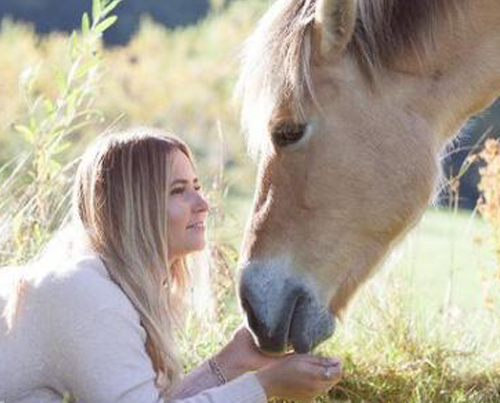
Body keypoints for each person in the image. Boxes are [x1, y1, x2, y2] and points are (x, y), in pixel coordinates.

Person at [0, 128, 342, 403]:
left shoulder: (109, 287)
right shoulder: (84, 294)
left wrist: (235, 359)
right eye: (179, 191)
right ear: (134, 207)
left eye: (196, 186)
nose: (203, 203)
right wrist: (266, 385)